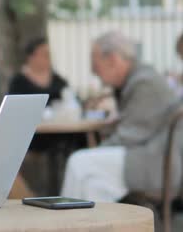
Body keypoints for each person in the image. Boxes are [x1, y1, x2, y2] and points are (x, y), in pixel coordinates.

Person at [61, 31, 180, 202]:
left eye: (96, 66)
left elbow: (129, 136)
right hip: (149, 159)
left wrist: (95, 153)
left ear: (113, 60)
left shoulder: (144, 82)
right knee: (93, 186)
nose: (94, 73)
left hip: (157, 165)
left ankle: (64, 224)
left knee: (78, 162)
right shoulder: (141, 79)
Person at [8, 37, 68, 105]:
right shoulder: (18, 82)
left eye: (48, 54)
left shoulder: (59, 81)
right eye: (44, 54)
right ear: (31, 57)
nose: (48, 58)